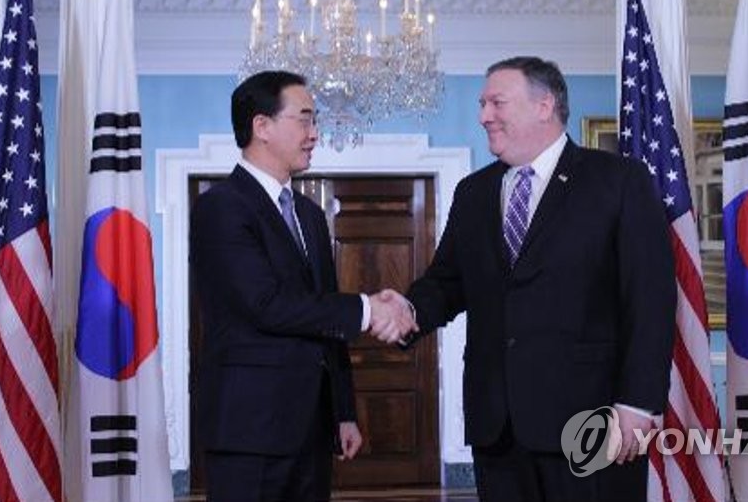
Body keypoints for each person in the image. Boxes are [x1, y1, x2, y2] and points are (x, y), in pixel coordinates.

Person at [391, 56, 677, 501]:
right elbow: (448, 283)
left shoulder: (617, 181)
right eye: (482, 104)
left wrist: (638, 403)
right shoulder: (474, 192)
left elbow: (649, 299)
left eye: (497, 102)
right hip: (497, 426)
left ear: (544, 106)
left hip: (590, 419)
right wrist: (407, 310)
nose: (484, 116)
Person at [190, 70, 414, 501]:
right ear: (262, 126)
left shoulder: (309, 215)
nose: (315, 134)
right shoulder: (221, 207)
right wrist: (368, 309)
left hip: (311, 428)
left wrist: (343, 412)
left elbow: (323, 314)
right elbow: (265, 305)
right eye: (305, 119)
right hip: (250, 430)